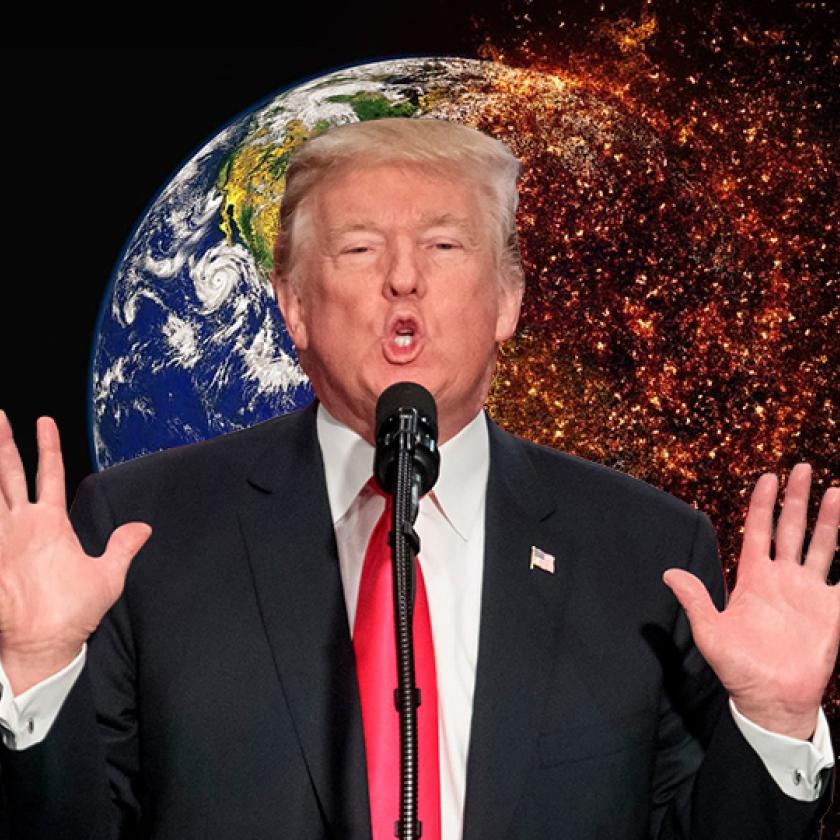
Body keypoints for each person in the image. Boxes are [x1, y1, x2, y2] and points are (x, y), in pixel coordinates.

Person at [0, 116, 837, 840]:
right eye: (360, 248)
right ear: (294, 306)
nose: (403, 277)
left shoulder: (648, 551)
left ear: (507, 300)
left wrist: (774, 724)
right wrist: (36, 674)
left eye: (443, 245)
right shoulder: (143, 528)